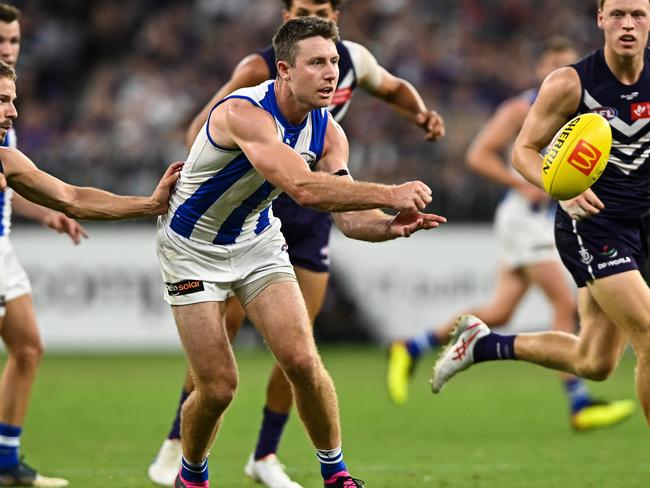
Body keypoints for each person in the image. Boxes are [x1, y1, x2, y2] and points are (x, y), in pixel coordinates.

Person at [148, 1, 445, 487]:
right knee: (219, 387)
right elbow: (303, 188)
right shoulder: (245, 111)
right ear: (284, 70)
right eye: (317, 64)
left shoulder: (330, 132)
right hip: (191, 248)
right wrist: (389, 192)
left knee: (303, 361)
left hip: (255, 239)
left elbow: (348, 219)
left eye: (332, 63)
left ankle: (335, 474)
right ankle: (191, 474)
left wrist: (388, 225)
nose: (331, 75)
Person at [387, 36, 636, 430]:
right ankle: (578, 404)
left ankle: (419, 345)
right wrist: (526, 183)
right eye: (554, 63)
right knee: (562, 301)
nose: (563, 70)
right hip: (524, 215)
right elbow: (479, 153)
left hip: (553, 216)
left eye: (569, 62)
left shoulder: (588, 102)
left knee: (510, 315)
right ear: (540, 68)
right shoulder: (523, 105)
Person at [0, 56, 182, 486]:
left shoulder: (7, 158)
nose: (13, 112)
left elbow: (72, 196)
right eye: (3, 101)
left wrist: (150, 204)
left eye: (13, 100)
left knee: (27, 347)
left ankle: (6, 462)